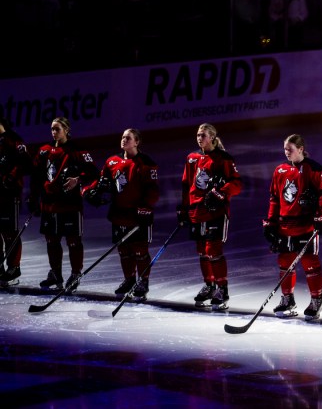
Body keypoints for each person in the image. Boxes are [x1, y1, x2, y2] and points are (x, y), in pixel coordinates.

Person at [262, 134, 322, 320]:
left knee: (310, 264)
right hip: (284, 226)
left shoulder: (314, 169)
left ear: (301, 149)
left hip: (305, 226)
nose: (287, 152)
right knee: (285, 264)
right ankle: (287, 299)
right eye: (285, 149)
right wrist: (271, 222)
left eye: (291, 149)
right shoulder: (280, 170)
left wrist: (320, 210)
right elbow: (274, 199)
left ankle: (316, 300)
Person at [85, 128, 160, 300]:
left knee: (140, 251)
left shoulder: (146, 162)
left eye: (128, 138)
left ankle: (143, 282)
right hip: (118, 214)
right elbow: (101, 181)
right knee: (124, 251)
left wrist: (146, 207)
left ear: (136, 142)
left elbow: (153, 190)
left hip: (137, 215)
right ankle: (129, 280)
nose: (124, 140)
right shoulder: (112, 161)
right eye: (123, 137)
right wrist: (88, 191)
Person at [28, 117, 100, 292]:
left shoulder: (77, 151)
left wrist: (78, 179)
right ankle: (56, 274)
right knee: (51, 240)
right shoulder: (44, 151)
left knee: (73, 241)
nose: (54, 132)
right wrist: (33, 199)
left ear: (67, 130)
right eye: (52, 129)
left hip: (70, 205)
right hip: (49, 205)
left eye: (57, 129)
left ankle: (75, 274)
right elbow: (36, 177)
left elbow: (94, 172)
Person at [177, 123, 242, 310]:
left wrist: (221, 193)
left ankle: (222, 289)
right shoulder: (191, 158)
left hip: (216, 212)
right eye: (198, 135)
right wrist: (183, 209)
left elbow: (236, 183)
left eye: (203, 135)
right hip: (196, 211)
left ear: (212, 137)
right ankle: (209, 285)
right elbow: (186, 185)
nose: (199, 138)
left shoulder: (224, 159)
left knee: (213, 250)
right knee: (202, 252)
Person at [0, 117, 33, 287]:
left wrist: (11, 176)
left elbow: (27, 163)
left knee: (9, 232)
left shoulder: (14, 139)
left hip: (9, 194)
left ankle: (13, 268)